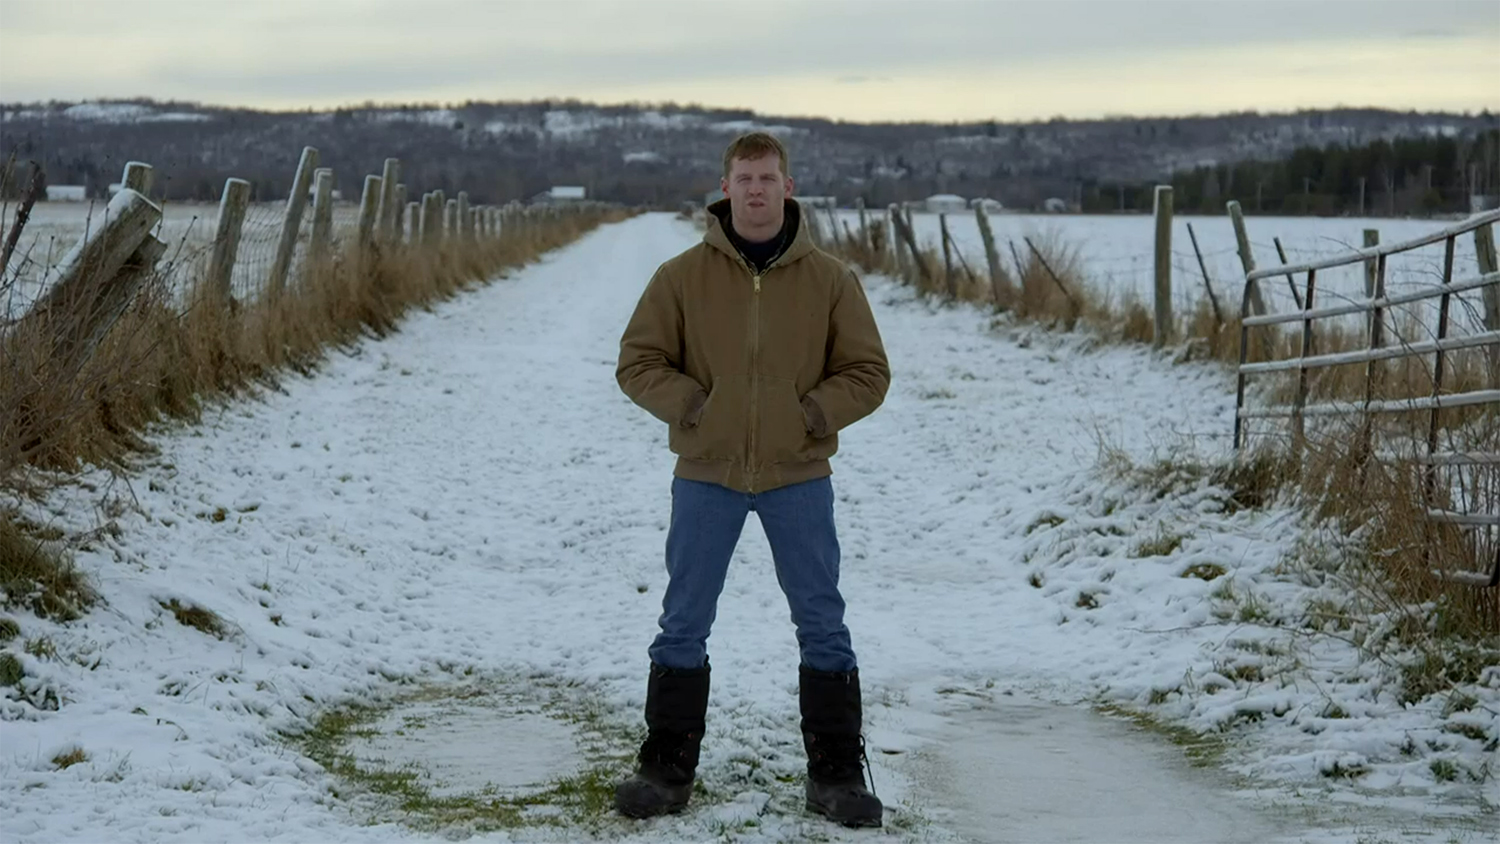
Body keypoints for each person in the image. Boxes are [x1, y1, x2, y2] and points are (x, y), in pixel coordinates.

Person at [613, 131, 891, 828]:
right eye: (745, 178)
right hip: (707, 474)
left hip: (798, 475)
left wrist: (811, 414)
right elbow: (638, 362)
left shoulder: (830, 280)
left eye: (768, 177)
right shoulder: (680, 277)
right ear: (725, 188)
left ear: (788, 187)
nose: (757, 189)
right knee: (683, 620)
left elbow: (868, 372)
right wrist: (697, 408)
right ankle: (665, 766)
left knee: (822, 620)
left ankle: (836, 773)